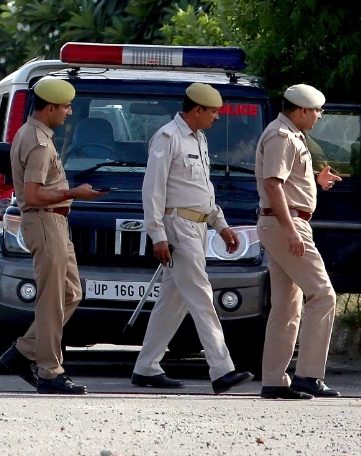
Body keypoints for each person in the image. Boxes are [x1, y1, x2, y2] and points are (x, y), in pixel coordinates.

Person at [130, 83, 254, 394]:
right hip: (178, 227)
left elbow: (202, 190)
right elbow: (153, 190)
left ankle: (146, 367)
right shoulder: (168, 137)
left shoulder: (199, 139)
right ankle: (222, 369)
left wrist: (220, 224)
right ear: (196, 110)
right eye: (212, 111)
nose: (216, 117)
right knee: (201, 296)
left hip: (198, 227)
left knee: (172, 303)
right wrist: (157, 234)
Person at [0, 78, 106, 394]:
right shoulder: (39, 142)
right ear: (50, 108)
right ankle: (49, 370)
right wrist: (76, 192)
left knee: (70, 293)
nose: (69, 113)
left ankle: (22, 352)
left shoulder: (35, 133)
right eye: (65, 107)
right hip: (44, 222)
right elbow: (31, 195)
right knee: (52, 300)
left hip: (55, 223)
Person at [256, 84, 342, 399]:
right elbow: (273, 184)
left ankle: (274, 381)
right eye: (317, 110)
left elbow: (286, 181)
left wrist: (315, 182)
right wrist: (291, 229)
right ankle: (308, 375)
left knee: (287, 306)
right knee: (322, 295)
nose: (319, 116)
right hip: (286, 225)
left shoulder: (289, 134)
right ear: (302, 110)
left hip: (281, 223)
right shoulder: (281, 136)